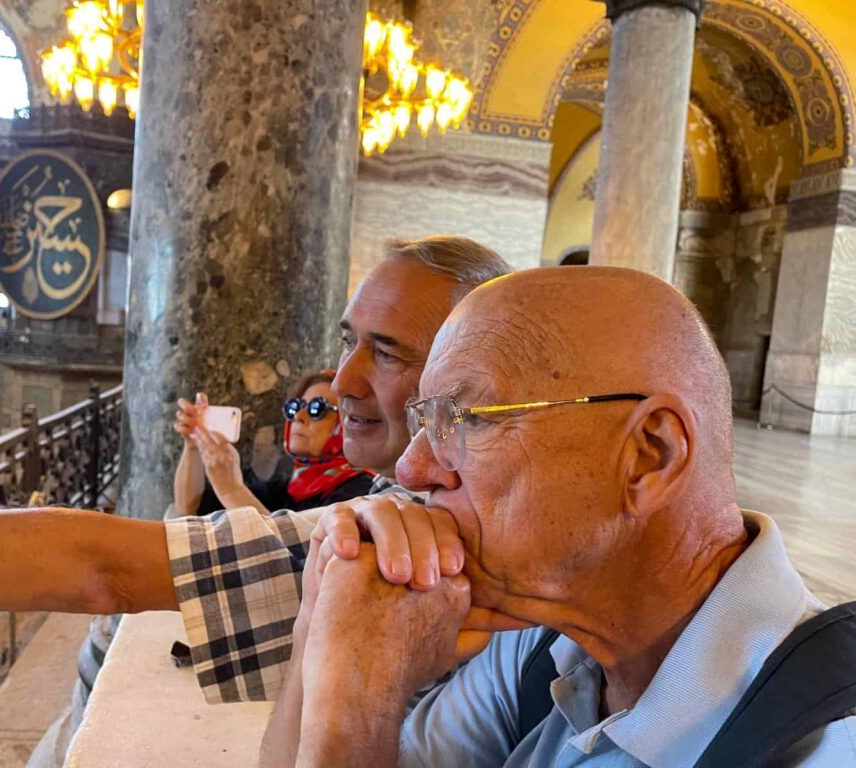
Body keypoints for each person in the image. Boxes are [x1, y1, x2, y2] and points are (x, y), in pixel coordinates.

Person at [0, 235, 507, 703]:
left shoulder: (429, 532)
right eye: (347, 341)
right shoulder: (402, 493)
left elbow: (101, 569)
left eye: (387, 353)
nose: (343, 379)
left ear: (472, 384)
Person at [262, 266, 856, 767]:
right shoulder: (544, 652)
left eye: (467, 417)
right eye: (426, 421)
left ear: (651, 455)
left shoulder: (824, 740)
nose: (414, 470)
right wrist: (320, 617)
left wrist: (356, 705)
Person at [171, 370, 375, 517]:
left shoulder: (359, 491)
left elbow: (295, 561)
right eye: (296, 407)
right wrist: (193, 446)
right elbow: (187, 507)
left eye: (316, 408)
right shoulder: (294, 486)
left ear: (348, 422)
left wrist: (232, 490)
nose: (299, 416)